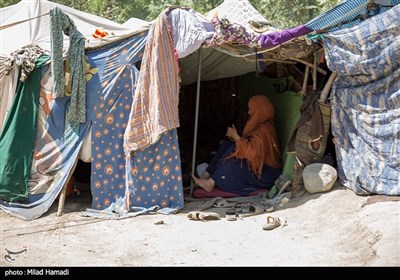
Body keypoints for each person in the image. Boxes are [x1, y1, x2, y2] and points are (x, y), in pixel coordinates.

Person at [192, 94, 282, 196]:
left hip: (266, 174)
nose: (248, 112)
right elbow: (251, 146)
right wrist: (235, 138)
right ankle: (205, 177)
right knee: (227, 146)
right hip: (260, 167)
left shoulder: (264, 130)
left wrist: (236, 137)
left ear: (258, 110)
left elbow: (253, 155)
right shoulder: (261, 124)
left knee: (233, 158)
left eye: (251, 109)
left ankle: (210, 183)